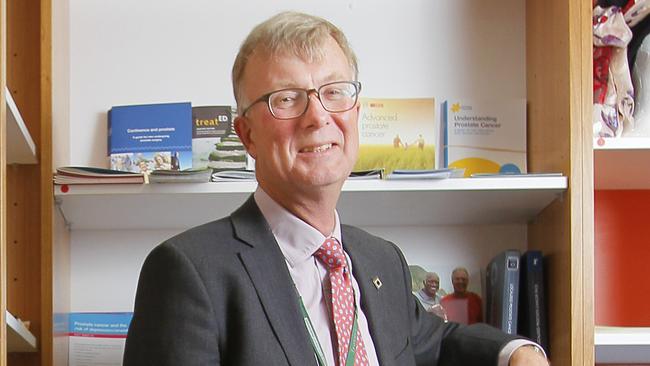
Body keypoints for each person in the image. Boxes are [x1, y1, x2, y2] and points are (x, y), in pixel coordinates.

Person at [123, 11, 548, 366]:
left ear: (356, 114)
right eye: (286, 98)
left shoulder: (382, 261)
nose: (317, 115)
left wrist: (514, 352)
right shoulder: (188, 271)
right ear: (247, 135)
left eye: (334, 92)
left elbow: (435, 341)